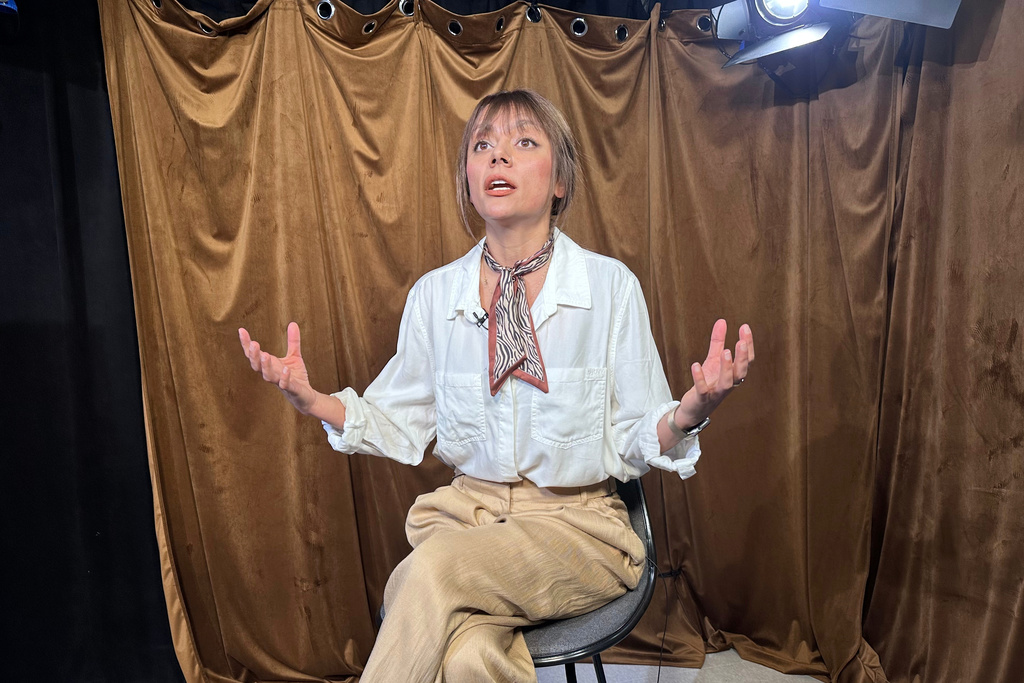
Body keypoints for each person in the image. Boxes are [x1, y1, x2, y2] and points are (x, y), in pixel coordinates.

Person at [239, 89, 754, 683]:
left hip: (578, 530)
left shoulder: (610, 287)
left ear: (560, 181)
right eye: (482, 146)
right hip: (464, 518)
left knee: (426, 577)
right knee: (468, 656)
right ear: (467, 176)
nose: (497, 158)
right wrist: (314, 401)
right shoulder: (435, 296)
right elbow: (399, 416)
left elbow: (635, 434)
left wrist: (691, 411)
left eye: (523, 143)